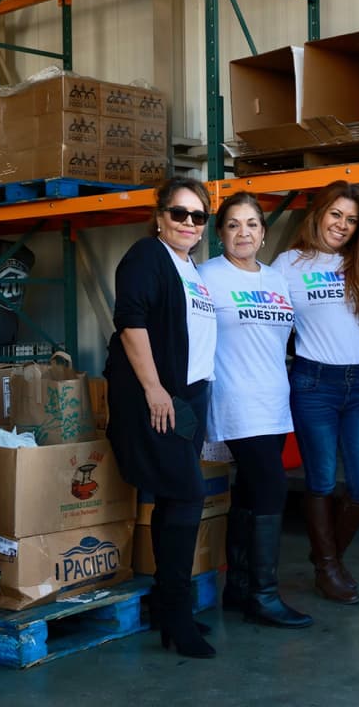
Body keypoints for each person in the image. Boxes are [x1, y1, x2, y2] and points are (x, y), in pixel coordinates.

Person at [105, 177, 218, 658]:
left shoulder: (190, 267)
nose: (189, 223)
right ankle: (176, 613)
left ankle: (172, 612)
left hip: (189, 398)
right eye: (179, 213)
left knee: (175, 501)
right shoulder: (147, 257)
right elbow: (131, 323)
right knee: (188, 496)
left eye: (198, 216)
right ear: (159, 217)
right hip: (161, 397)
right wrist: (155, 390)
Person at [199, 192, 312, 629]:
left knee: (250, 491)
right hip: (235, 398)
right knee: (269, 490)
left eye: (251, 224)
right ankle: (263, 595)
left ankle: (240, 589)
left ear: (263, 234)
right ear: (220, 232)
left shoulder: (276, 279)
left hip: (273, 399)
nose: (242, 233)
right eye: (233, 224)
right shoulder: (208, 276)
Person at [271, 180, 359, 605]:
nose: (342, 225)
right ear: (317, 214)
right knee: (320, 480)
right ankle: (328, 568)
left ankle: (328, 558)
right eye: (336, 214)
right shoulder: (288, 265)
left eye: (351, 220)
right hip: (314, 382)